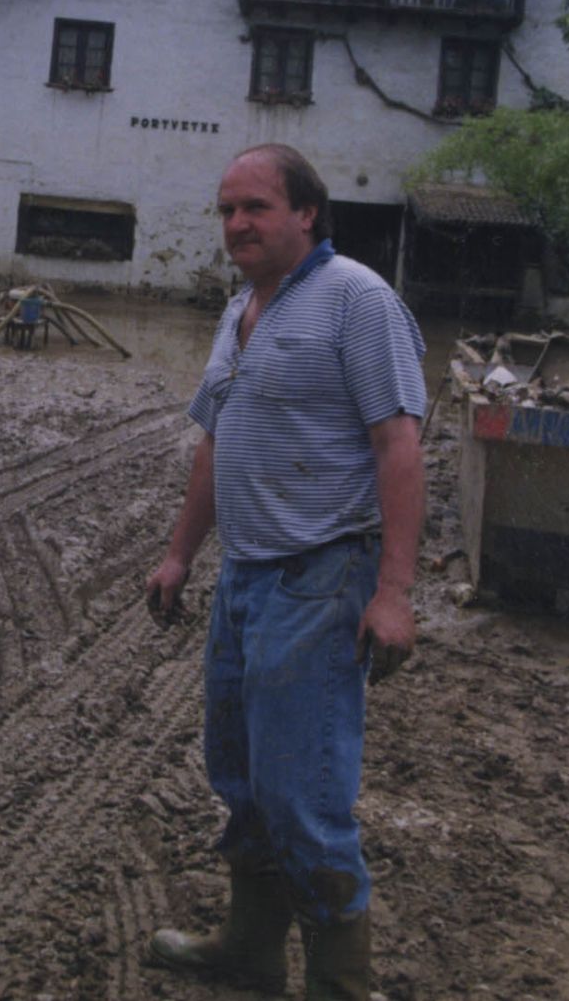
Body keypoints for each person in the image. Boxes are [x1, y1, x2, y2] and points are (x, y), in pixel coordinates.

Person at [144, 144, 427, 1001]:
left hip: (321, 574)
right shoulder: (240, 312)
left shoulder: (357, 301)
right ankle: (252, 949)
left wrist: (394, 591)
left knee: (302, 789)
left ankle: (340, 986)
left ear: (307, 212)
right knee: (241, 773)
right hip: (246, 576)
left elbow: (399, 444)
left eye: (256, 207)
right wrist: (179, 553)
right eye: (227, 209)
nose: (237, 224)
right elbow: (215, 444)